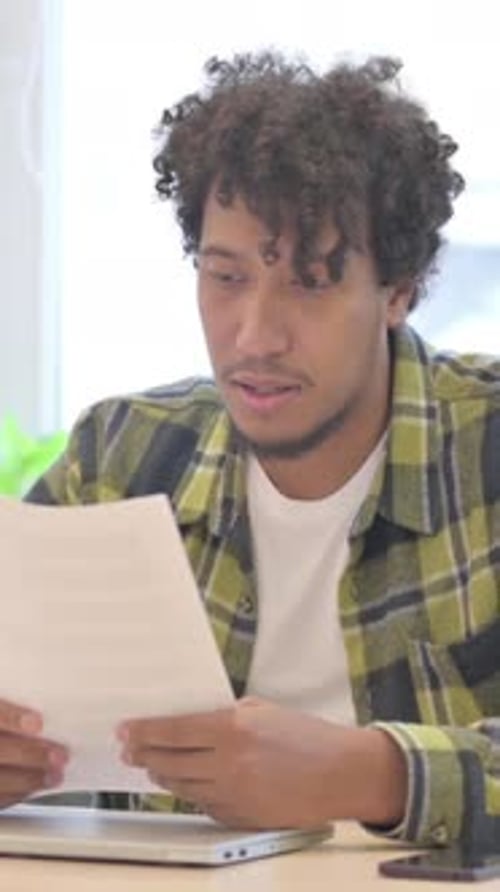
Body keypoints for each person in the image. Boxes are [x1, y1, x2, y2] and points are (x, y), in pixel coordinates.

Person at [3, 51, 499, 848]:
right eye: (225, 277)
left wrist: (367, 771)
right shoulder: (119, 458)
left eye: (311, 282)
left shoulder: (487, 448)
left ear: (399, 291)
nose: (255, 337)